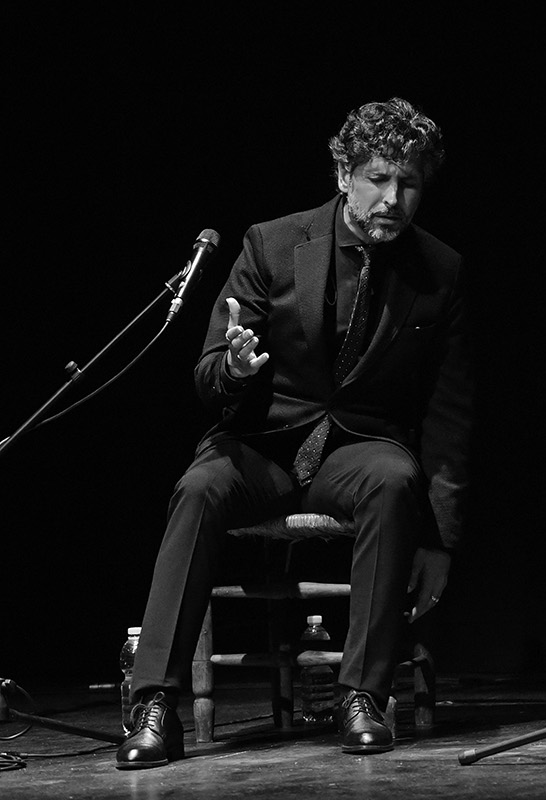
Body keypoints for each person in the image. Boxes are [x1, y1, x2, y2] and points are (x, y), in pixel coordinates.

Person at [116, 97, 473, 769]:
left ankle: (362, 696)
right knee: (197, 489)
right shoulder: (271, 244)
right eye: (378, 178)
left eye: (410, 183)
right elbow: (207, 376)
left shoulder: (441, 271)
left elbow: (451, 415)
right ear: (344, 174)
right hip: (265, 444)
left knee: (398, 480)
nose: (393, 198)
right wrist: (237, 370)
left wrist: (441, 536)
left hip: (360, 450)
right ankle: (155, 701)